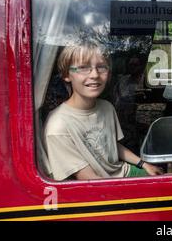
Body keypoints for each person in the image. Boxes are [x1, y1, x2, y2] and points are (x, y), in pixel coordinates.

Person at [43, 41, 163, 181]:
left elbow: (112, 146)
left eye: (101, 67)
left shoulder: (107, 107)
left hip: (123, 171)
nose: (94, 75)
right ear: (66, 75)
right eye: (83, 68)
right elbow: (90, 179)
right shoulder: (57, 127)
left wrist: (143, 164)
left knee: (165, 181)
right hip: (102, 184)